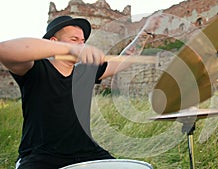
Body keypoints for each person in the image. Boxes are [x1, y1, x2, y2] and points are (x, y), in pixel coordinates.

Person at [0, 14, 161, 169]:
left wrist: (144, 33)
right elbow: (4, 49)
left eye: (83, 41)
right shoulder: (35, 69)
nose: (81, 45)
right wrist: (68, 49)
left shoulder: (86, 72)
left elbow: (123, 60)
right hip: (41, 157)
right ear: (54, 41)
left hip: (87, 153)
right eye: (74, 40)